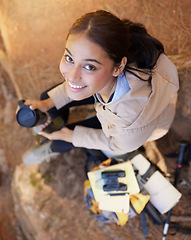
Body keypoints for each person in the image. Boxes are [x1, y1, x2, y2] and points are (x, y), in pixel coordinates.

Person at [22, 10, 179, 165]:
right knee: (46, 98)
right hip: (107, 88)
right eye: (70, 58)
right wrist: (47, 104)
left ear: (118, 67)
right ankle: (53, 124)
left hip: (126, 129)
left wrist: (69, 136)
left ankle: (53, 145)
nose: (71, 76)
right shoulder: (114, 48)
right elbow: (76, 82)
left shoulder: (130, 123)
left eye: (89, 66)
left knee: (62, 141)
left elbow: (116, 145)